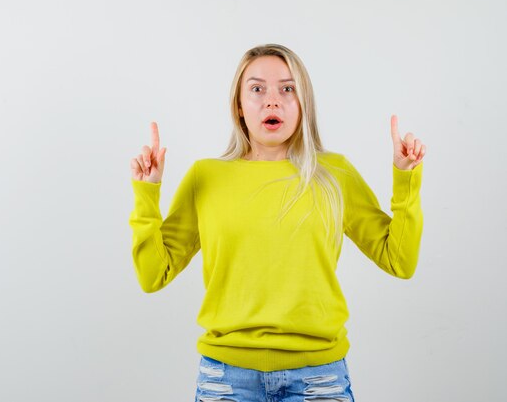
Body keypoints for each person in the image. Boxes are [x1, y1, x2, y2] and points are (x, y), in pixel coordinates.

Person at [129, 43, 426, 402]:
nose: (273, 101)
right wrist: (148, 193)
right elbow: (152, 275)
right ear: (239, 105)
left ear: (303, 103)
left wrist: (405, 178)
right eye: (257, 89)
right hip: (226, 378)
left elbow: (400, 260)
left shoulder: (335, 174)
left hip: (319, 377)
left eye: (288, 89)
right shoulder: (204, 177)